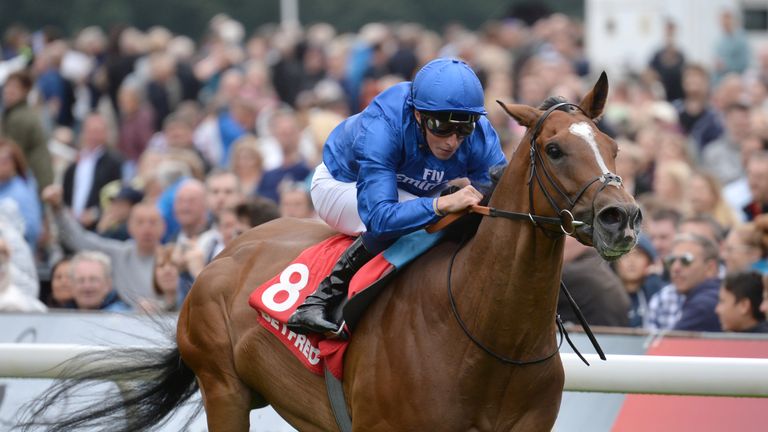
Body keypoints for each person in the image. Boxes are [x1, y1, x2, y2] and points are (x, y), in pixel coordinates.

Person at [288, 58, 507, 336]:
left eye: (463, 128)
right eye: (441, 127)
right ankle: (319, 300)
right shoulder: (383, 126)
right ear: (418, 115)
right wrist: (440, 204)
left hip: (410, 188)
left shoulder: (479, 134)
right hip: (342, 184)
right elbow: (380, 218)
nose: (452, 140)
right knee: (414, 221)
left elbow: (502, 197)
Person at [0, 70, 54, 193]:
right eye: (8, 86)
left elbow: (12, 155)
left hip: (33, 181)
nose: (9, 91)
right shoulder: (13, 113)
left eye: (15, 87)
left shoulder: (20, 117)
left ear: (25, 92)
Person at [668, 233, 722, 332]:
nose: (675, 268)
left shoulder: (703, 306)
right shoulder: (712, 296)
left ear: (710, 268)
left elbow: (671, 345)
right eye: (671, 260)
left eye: (686, 260)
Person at [614, 234, 664, 328]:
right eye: (624, 254)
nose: (631, 261)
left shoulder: (659, 293)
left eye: (638, 255)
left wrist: (654, 282)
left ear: (650, 262)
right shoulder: (606, 296)